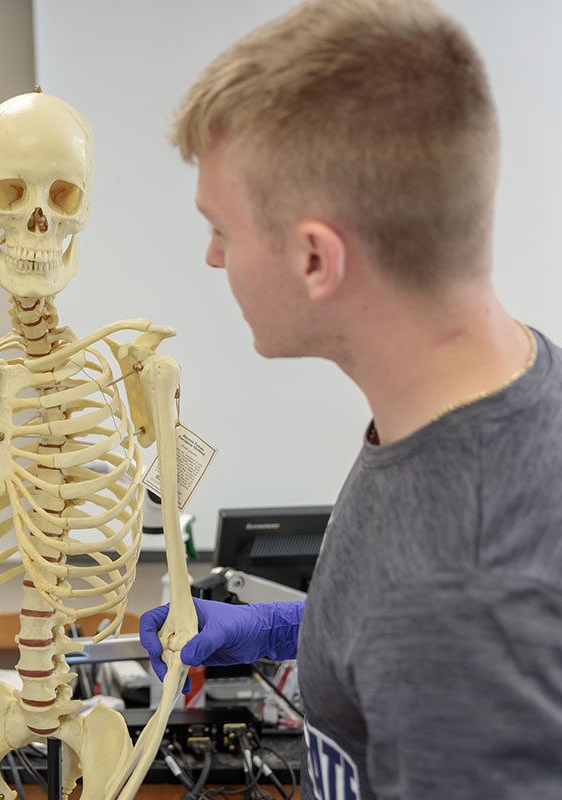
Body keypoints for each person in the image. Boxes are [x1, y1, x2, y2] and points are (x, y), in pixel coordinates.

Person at [138, 1, 562, 798]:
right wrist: (294, 631)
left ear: (313, 259)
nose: (211, 256)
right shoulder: (477, 402)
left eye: (222, 229)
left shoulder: (469, 603)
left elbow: (435, 632)